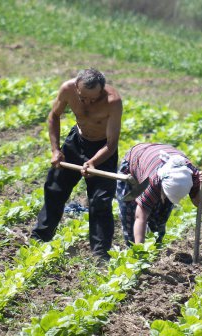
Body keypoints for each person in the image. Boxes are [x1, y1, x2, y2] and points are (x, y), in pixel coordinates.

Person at [30, 68, 122, 260]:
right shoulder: (67, 89)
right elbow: (53, 116)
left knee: (100, 201)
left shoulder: (113, 101)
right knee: (55, 188)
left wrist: (93, 162)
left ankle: (100, 254)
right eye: (83, 98)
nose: (87, 102)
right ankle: (40, 237)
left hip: (102, 150)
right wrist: (56, 150)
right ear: (77, 88)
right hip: (76, 142)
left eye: (93, 99)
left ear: (102, 91)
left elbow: (112, 143)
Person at [117, 143, 202, 245]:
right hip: (135, 159)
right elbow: (140, 218)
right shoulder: (153, 181)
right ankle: (133, 249)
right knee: (129, 215)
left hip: (157, 158)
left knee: (159, 220)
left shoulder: (192, 175)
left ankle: (156, 247)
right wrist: (139, 250)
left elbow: (200, 203)